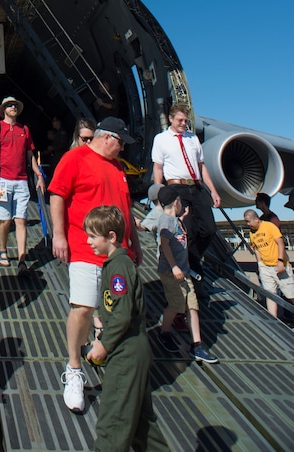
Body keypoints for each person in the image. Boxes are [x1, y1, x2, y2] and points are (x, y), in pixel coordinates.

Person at [48, 116, 142, 414]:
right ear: (107, 138)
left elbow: (126, 210)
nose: (123, 149)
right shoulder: (75, 158)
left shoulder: (118, 169)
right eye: (121, 143)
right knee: (84, 307)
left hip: (118, 255)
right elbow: (58, 195)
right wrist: (59, 235)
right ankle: (74, 368)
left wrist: (134, 244)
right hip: (84, 246)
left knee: (118, 312)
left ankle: (106, 357)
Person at [84, 206, 170, 452]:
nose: (88, 241)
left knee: (113, 426)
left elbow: (122, 314)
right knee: (143, 427)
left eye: (93, 236)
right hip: (133, 349)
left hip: (125, 353)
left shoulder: (119, 267)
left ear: (111, 237)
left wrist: (104, 344)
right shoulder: (117, 264)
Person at [151, 103, 220, 273]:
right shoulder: (161, 139)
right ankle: (194, 273)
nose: (183, 124)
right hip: (177, 188)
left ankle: (192, 260)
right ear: (171, 119)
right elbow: (158, 168)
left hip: (196, 186)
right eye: (180, 120)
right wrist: (159, 194)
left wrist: (213, 190)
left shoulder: (192, 138)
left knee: (209, 229)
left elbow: (202, 166)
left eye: (186, 121)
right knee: (186, 231)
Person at [0, 96, 45, 277]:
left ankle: (21, 258)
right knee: (4, 221)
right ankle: (3, 249)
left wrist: (39, 175)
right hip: (1, 180)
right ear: (3, 110)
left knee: (21, 220)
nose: (13, 107)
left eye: (15, 105)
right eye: (9, 105)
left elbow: (30, 154)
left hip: (21, 181)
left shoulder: (24, 129)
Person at [155, 186, 218, 362]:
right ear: (176, 202)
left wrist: (182, 219)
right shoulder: (166, 221)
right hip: (171, 272)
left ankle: (197, 344)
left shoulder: (174, 220)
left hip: (183, 272)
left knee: (192, 306)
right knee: (176, 305)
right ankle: (164, 332)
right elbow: (165, 244)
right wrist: (174, 266)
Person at [244, 208, 294, 318]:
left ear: (256, 219)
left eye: (249, 221)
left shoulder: (269, 226)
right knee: (270, 295)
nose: (248, 224)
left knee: (290, 294)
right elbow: (257, 249)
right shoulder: (252, 233)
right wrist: (260, 264)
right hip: (265, 267)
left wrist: (280, 261)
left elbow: (280, 243)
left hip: (279, 264)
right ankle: (273, 319)